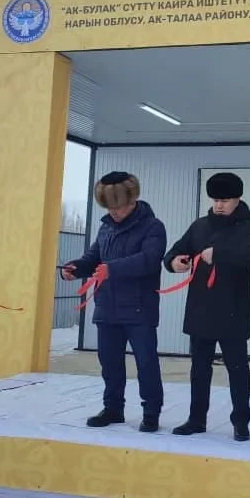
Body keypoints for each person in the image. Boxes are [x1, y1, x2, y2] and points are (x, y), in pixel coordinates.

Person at [62, 171, 167, 433]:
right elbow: (93, 258)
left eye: (118, 207)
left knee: (146, 363)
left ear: (132, 200)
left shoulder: (153, 227)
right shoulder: (106, 227)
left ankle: (151, 412)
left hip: (139, 308)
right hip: (107, 307)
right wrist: (75, 268)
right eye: (110, 207)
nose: (114, 212)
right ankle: (113, 409)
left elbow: (149, 260)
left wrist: (113, 269)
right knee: (109, 364)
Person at [162, 172, 250, 441]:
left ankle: (241, 422)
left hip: (233, 310)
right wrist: (174, 262)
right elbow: (174, 251)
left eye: (225, 200)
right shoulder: (199, 226)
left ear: (237, 199)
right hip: (201, 309)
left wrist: (218, 254)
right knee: (199, 370)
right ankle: (197, 419)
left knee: (237, 370)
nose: (219, 205)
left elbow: (249, 255)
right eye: (216, 200)